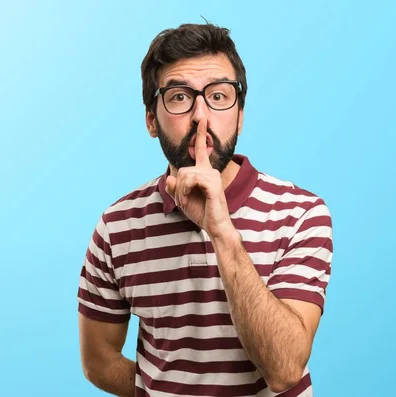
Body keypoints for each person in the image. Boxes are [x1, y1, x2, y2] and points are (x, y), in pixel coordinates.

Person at [76, 22, 333, 397]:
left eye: (218, 96)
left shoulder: (301, 214)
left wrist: (222, 232)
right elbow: (98, 361)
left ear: (240, 116)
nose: (201, 116)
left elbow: (285, 370)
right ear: (152, 119)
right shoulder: (117, 226)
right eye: (180, 97)